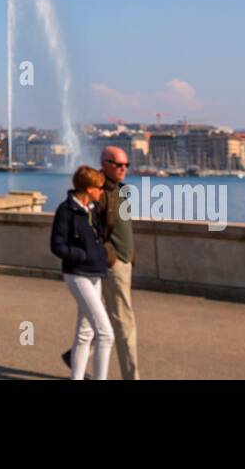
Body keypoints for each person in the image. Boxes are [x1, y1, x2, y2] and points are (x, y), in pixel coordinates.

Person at [50, 165, 114, 380]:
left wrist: (101, 257)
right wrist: (83, 255)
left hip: (95, 273)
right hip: (77, 274)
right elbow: (57, 246)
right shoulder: (65, 211)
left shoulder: (92, 210)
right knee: (105, 334)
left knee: (85, 332)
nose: (102, 190)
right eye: (99, 187)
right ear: (88, 189)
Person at [99, 146, 139, 379]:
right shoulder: (98, 192)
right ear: (104, 163)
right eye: (118, 164)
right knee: (125, 324)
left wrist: (130, 256)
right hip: (113, 265)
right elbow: (94, 229)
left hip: (124, 262)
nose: (123, 169)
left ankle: (75, 355)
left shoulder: (122, 190)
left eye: (126, 165)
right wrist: (112, 257)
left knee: (98, 317)